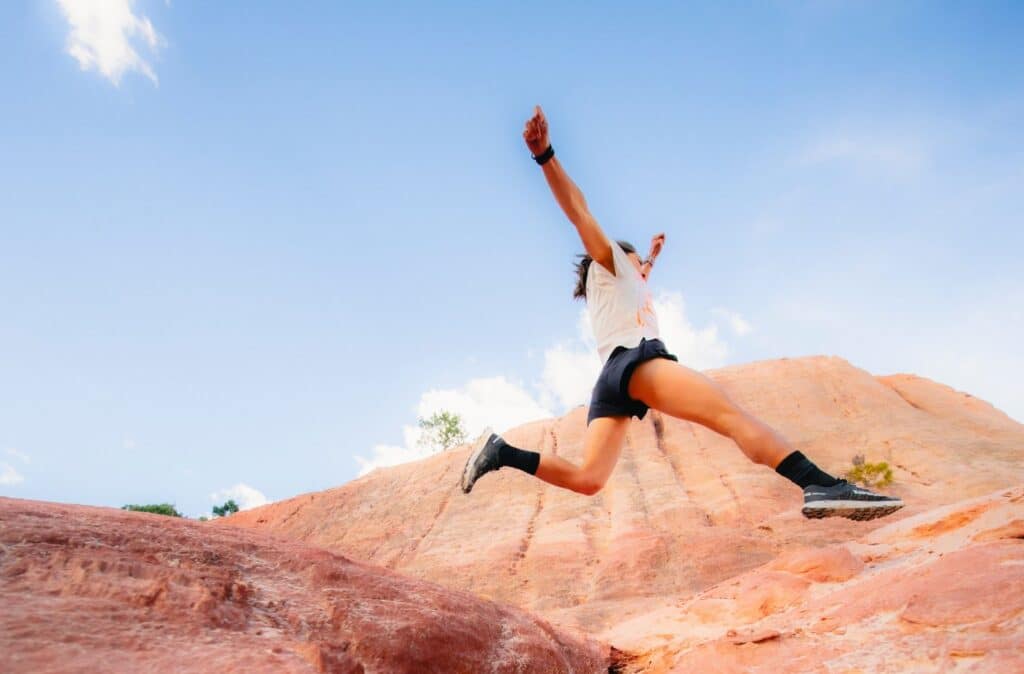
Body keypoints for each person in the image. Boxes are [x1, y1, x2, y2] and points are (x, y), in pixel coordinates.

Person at [461, 106, 903, 521]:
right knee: (731, 416)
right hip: (638, 361)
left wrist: (653, 258)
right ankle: (819, 485)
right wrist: (546, 156)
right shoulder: (610, 261)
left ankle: (500, 452)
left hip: (610, 380)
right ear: (620, 258)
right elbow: (580, 212)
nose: (641, 269)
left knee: (589, 479)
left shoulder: (622, 286)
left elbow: (642, 279)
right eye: (636, 261)